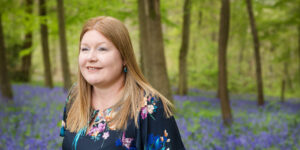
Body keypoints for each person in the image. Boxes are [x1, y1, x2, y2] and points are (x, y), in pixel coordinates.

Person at [59, 16, 185, 150]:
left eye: (102, 49)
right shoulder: (75, 95)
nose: (91, 57)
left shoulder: (149, 106)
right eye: (85, 49)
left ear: (124, 57)